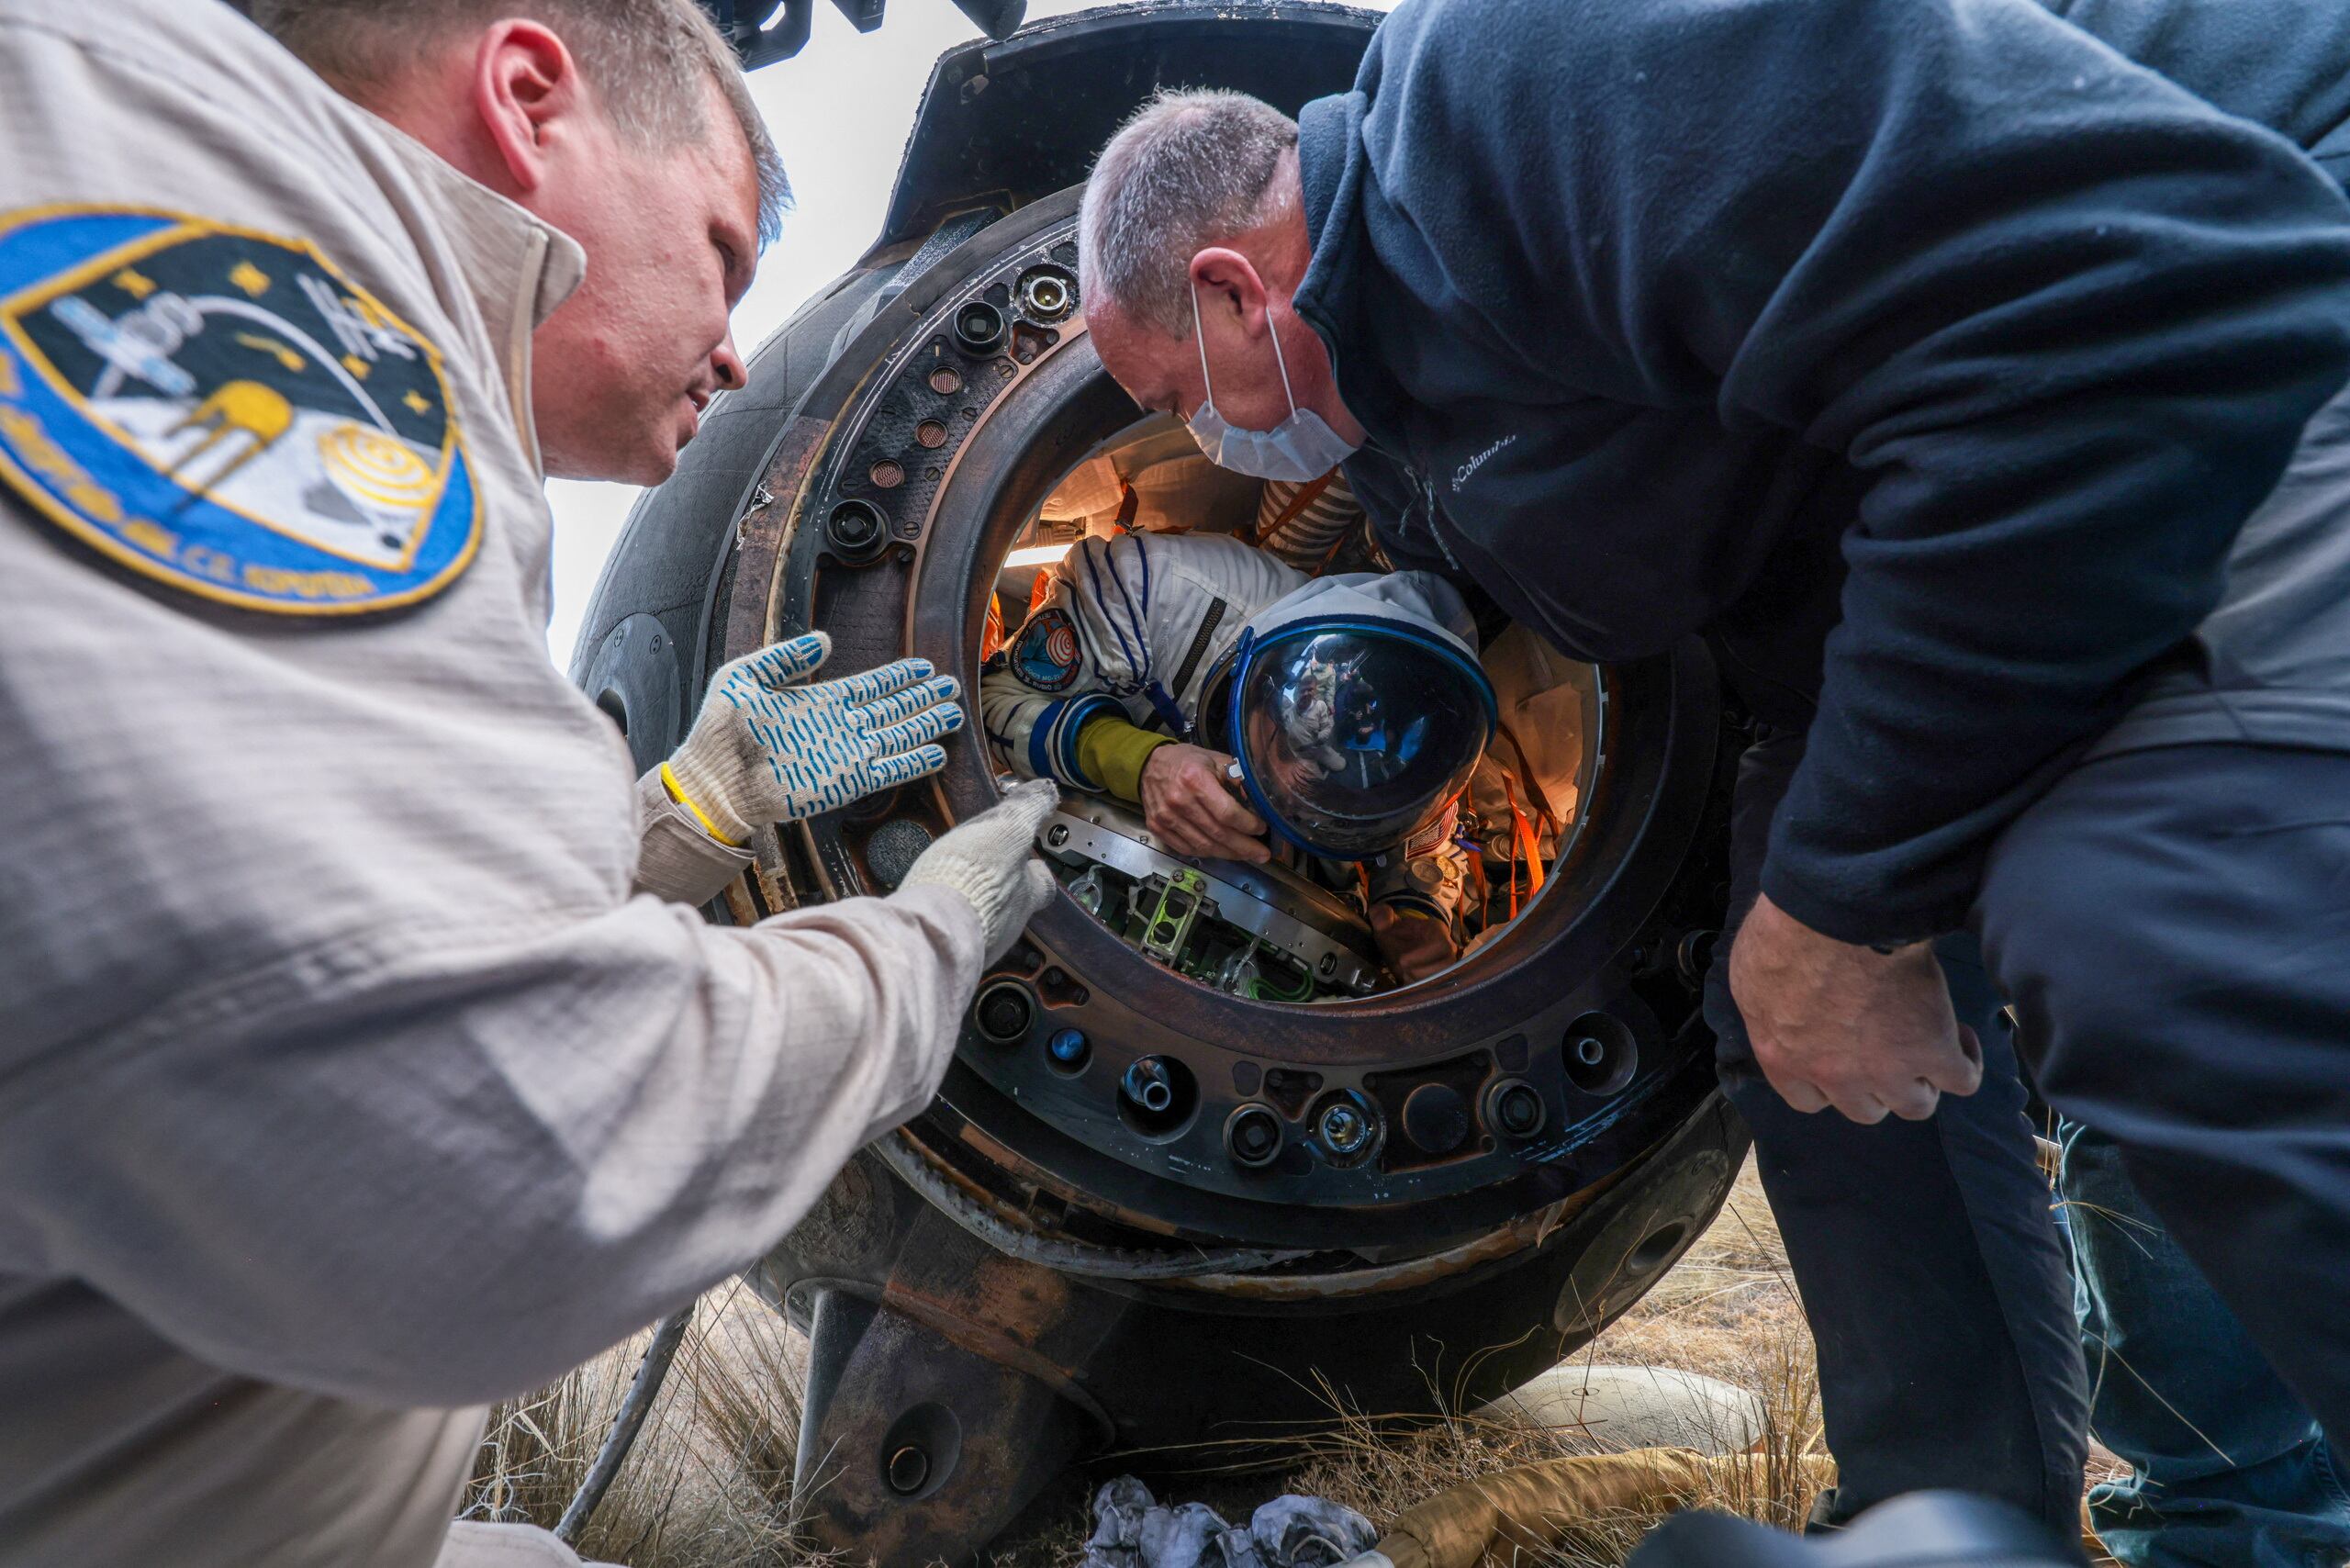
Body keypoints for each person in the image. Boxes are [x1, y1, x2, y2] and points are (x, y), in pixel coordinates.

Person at [1075, 0, 2350, 1542]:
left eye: (1173, 400)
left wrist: (1849, 894)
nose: (1203, 432)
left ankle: (2245, 1514)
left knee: (2137, 916)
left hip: (2237, 276)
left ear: (1230, 289)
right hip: (1936, 517)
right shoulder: (1412, 434)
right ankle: (1954, 1515)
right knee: (1791, 1008)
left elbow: (2091, 312)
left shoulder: (1508, 89)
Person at [0, 2, 1057, 1565]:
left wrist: (689, 815)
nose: (739, 346)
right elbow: (504, 1162)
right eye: (717, 247)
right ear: (528, 97)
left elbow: (271, 932)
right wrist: (923, 948)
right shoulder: (231, 278)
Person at [981, 529, 1519, 980]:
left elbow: (1428, 843)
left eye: (1339, 773)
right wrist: (1138, 760)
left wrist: (1415, 914)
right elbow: (989, 698)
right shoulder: (1150, 592)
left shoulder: (1416, 760)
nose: (1291, 788)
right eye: (1291, 745)